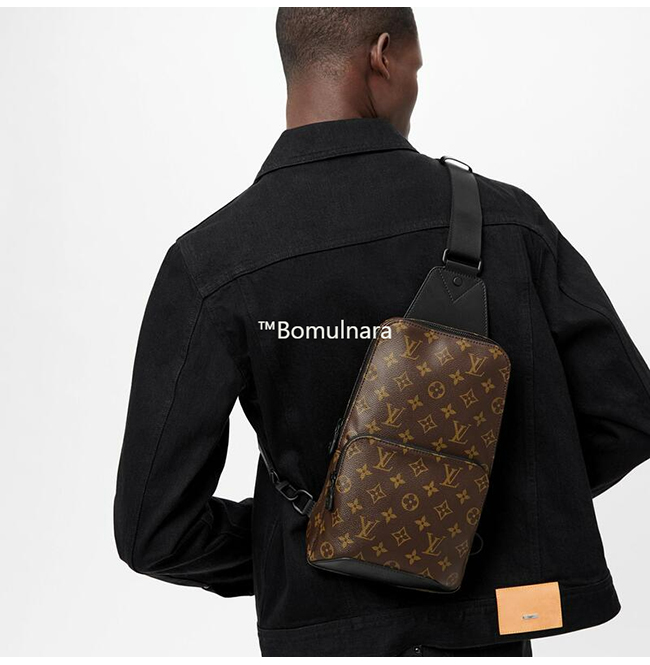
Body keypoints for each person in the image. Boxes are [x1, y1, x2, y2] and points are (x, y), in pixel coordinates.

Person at [113, 8, 650, 657]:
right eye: (416, 69)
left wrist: (324, 542)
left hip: (324, 635)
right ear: (383, 56)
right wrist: (458, 511)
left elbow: (154, 531)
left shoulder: (212, 261)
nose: (415, 89)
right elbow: (626, 417)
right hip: (485, 631)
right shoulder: (508, 223)